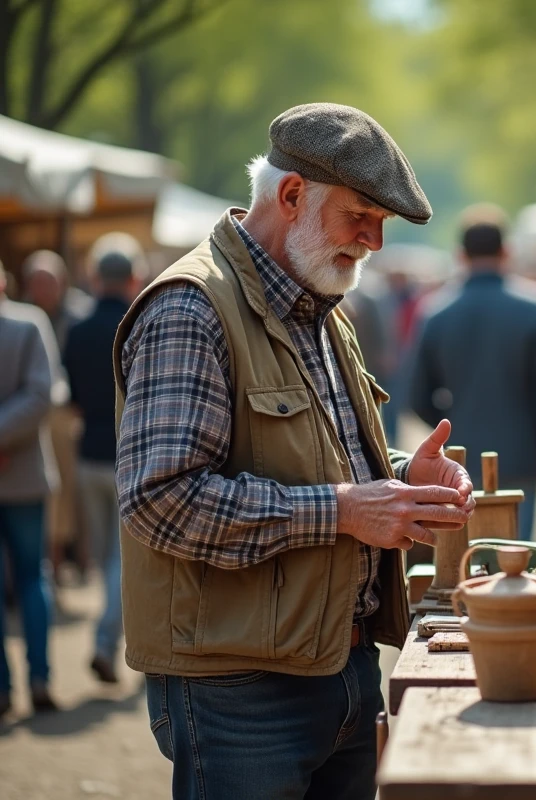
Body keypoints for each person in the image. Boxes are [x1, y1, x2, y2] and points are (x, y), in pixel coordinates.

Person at [115, 103, 475, 799]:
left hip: (342, 666)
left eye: (381, 224)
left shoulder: (319, 304)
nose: (373, 240)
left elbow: (311, 465)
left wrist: (401, 479)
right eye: (360, 216)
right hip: (240, 690)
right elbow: (160, 501)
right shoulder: (191, 308)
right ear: (289, 196)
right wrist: (346, 510)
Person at [409, 205, 536, 541]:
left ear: (461, 255)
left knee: (469, 560)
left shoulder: (435, 312)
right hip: (523, 451)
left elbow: (416, 396)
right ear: (506, 252)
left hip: (461, 458)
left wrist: (451, 427)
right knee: (518, 559)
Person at [62, 233, 147, 684]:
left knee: (101, 559)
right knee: (121, 560)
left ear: (95, 278)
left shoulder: (75, 330)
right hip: (129, 459)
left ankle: (106, 637)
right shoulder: (141, 325)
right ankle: (104, 642)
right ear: (133, 278)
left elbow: (71, 398)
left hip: (86, 455)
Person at [0, 266, 60, 715]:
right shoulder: (29, 324)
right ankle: (32, 681)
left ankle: (17, 684)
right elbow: (42, 394)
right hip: (23, 473)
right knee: (32, 577)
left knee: (30, 578)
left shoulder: (27, 324)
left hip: (22, 479)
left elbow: (43, 395)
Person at [22, 250, 87, 579]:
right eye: (36, 281)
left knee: (67, 494)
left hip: (65, 418)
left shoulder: (78, 317)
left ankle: (68, 561)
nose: (42, 288)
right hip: (26, 422)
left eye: (48, 281)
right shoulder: (20, 320)